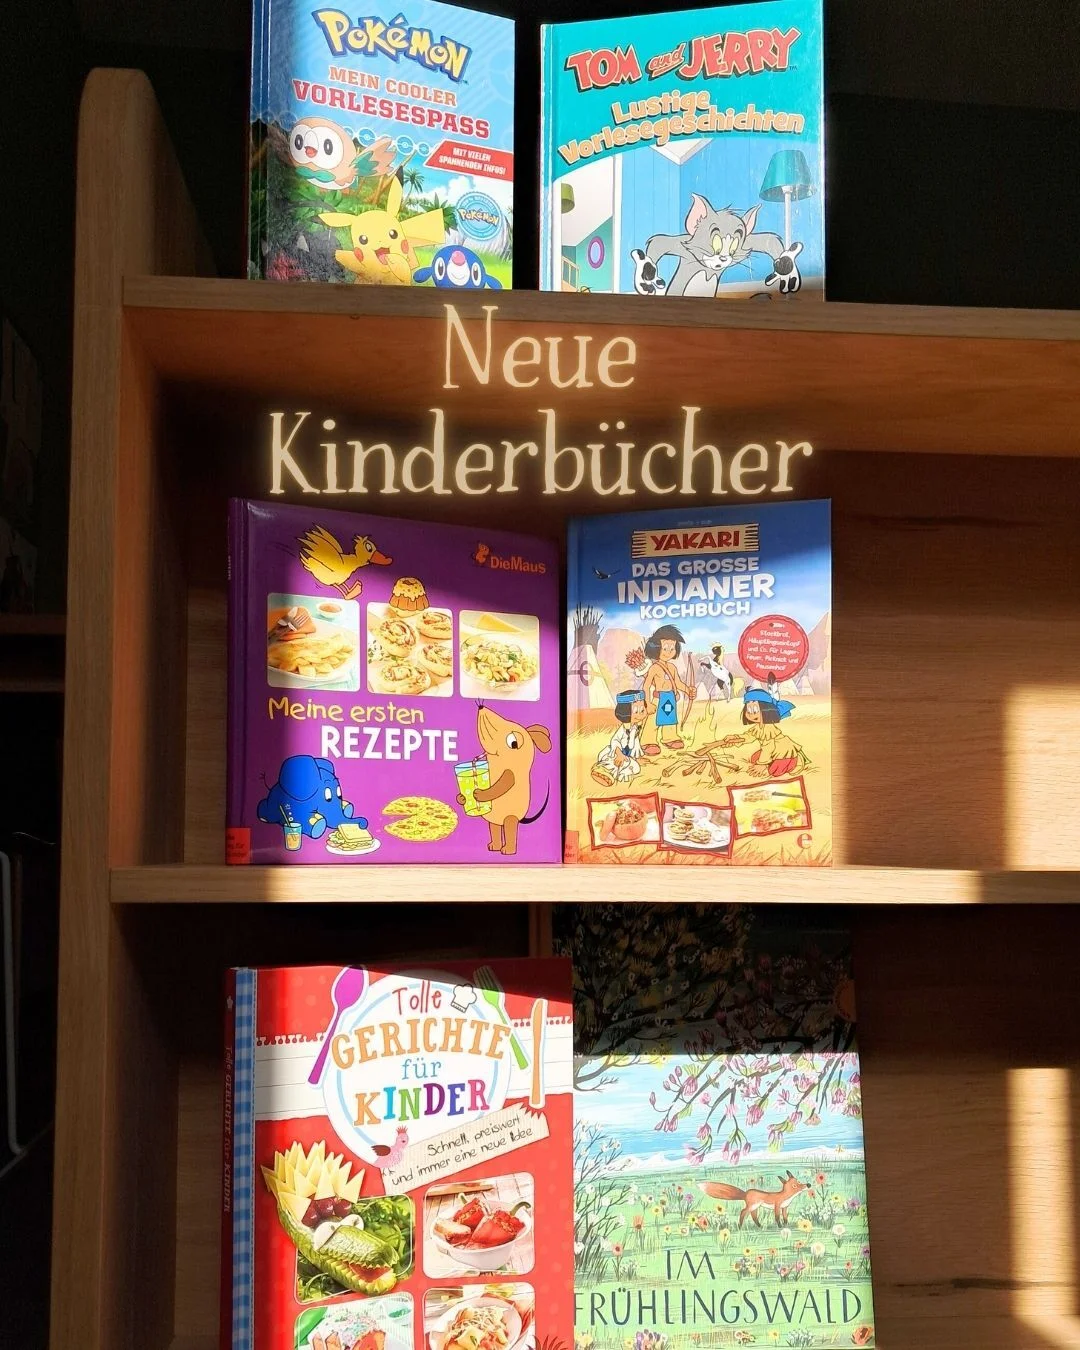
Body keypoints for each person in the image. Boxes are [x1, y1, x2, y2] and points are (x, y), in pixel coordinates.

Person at [722, 687, 806, 777]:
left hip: (784, 754)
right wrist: (735, 738)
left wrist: (762, 764)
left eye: (755, 710)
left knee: (774, 771)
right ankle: (772, 762)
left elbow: (768, 748)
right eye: (749, 710)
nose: (751, 714)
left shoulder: (768, 728)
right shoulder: (758, 727)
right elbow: (749, 736)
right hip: (773, 752)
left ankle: (791, 764)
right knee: (754, 758)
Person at [641, 624, 694, 755]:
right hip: (658, 699)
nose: (669, 651)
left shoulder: (672, 667)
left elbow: (678, 683)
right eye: (665, 648)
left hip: (670, 698)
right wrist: (648, 703)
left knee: (670, 719)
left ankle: (670, 738)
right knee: (653, 721)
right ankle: (648, 741)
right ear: (655, 648)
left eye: (672, 648)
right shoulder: (654, 668)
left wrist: (688, 690)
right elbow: (646, 686)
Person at [592, 690, 648, 784]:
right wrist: (619, 754)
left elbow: (634, 744)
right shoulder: (623, 730)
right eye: (636, 711)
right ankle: (604, 771)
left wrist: (636, 756)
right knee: (613, 762)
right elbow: (615, 741)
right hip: (617, 753)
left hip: (627, 757)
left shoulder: (635, 728)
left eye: (642, 710)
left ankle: (617, 773)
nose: (640, 714)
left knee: (635, 768)